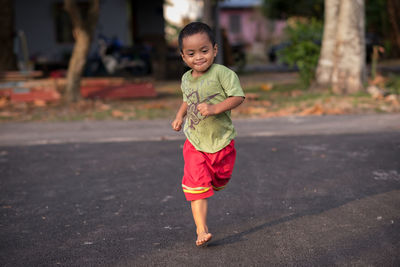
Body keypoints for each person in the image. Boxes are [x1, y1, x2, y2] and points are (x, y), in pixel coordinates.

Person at [171, 22, 245, 247]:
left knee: (219, 179)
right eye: (191, 53)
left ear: (214, 49)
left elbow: (237, 97)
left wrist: (215, 108)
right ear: (183, 56)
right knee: (196, 185)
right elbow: (187, 99)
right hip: (194, 140)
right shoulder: (186, 78)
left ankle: (214, 180)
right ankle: (201, 229)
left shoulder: (223, 73)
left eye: (204, 51)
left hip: (221, 140)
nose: (198, 57)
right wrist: (179, 116)